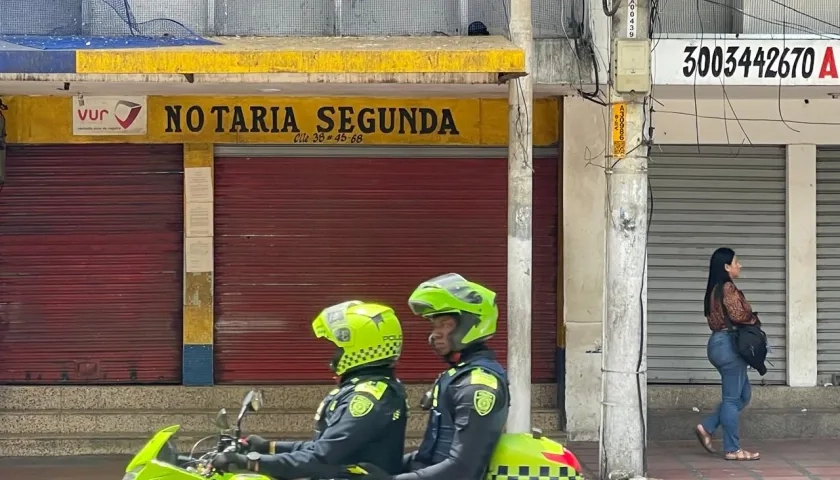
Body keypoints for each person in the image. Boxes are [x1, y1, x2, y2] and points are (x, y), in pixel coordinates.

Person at [211, 300, 409, 479]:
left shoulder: (369, 399)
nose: (333, 356)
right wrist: (269, 447)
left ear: (359, 348)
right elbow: (325, 447)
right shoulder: (369, 389)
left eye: (337, 348)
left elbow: (321, 458)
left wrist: (252, 463)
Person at [358, 273, 510, 480]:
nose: (435, 334)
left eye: (445, 325)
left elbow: (463, 469)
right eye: (435, 325)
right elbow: (432, 455)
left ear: (471, 323)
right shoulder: (458, 375)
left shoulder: (477, 385)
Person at [694, 248, 760, 461]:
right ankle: (733, 449)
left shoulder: (713, 290)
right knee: (732, 399)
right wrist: (753, 317)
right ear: (726, 267)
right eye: (736, 262)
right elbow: (739, 315)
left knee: (743, 395)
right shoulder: (728, 287)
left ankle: (707, 426)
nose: (739, 265)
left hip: (717, 343)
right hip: (730, 345)